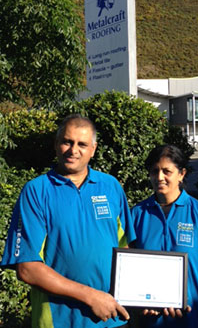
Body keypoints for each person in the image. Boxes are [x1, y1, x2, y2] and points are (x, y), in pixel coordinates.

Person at [0, 114, 136, 328]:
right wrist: (92, 297)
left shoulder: (110, 186)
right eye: (67, 142)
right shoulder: (36, 191)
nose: (74, 150)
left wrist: (148, 297)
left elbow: (126, 251)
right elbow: (27, 268)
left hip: (111, 319)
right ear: (56, 145)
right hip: (59, 321)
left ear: (93, 148)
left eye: (82, 144)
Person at [130, 144, 198, 328]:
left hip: (192, 321)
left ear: (181, 174)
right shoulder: (137, 215)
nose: (159, 177)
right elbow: (129, 270)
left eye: (167, 171)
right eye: (154, 171)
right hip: (149, 321)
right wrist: (141, 301)